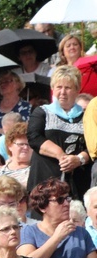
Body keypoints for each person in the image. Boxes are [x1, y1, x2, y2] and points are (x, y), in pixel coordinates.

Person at [27, 66, 92, 200]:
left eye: (68, 88)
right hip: (44, 179)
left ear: (77, 90)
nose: (62, 92)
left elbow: (93, 145)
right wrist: (61, 156)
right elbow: (34, 137)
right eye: (58, 87)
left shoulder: (87, 115)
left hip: (77, 182)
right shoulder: (41, 112)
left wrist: (78, 160)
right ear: (52, 89)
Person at [0, 71, 31, 136]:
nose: (2, 85)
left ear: (17, 84)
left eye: (6, 81)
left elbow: (21, 130)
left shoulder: (26, 107)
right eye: (0, 83)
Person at [0, 122, 32, 188]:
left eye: (29, 144)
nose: (25, 147)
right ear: (9, 145)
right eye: (21, 144)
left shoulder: (36, 171)